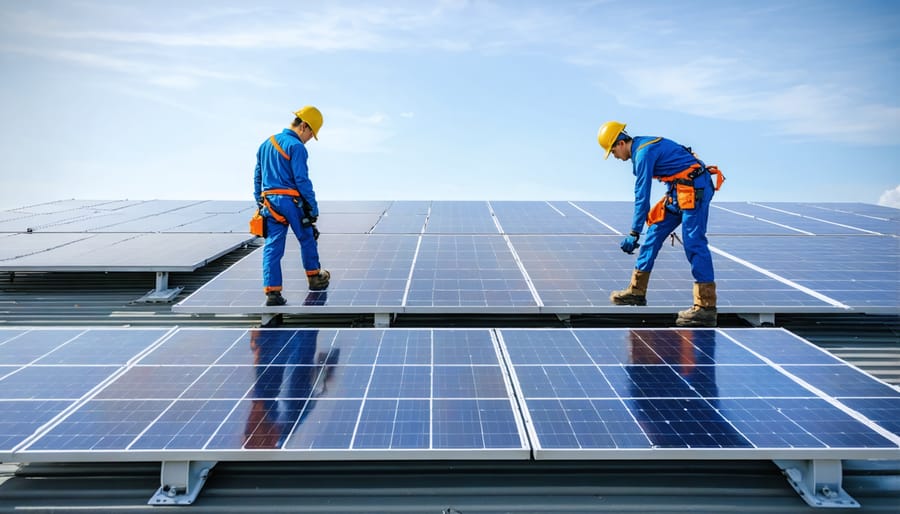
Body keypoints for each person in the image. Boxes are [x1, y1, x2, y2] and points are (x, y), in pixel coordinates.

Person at [597, 121, 724, 327]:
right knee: (654, 233)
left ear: (620, 143)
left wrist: (634, 232)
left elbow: (642, 196)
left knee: (694, 243)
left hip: (695, 189)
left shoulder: (643, 154)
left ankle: (705, 308)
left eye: (612, 151)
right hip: (678, 191)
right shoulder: (642, 147)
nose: (615, 157)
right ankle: (636, 291)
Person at [253, 106, 330, 306]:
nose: (309, 139)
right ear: (303, 126)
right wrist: (312, 208)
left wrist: (259, 201)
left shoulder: (265, 144)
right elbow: (302, 180)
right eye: (311, 134)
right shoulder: (297, 147)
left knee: (272, 247)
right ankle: (314, 277)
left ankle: (272, 292)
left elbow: (257, 177)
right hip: (291, 201)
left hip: (269, 203)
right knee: (307, 236)